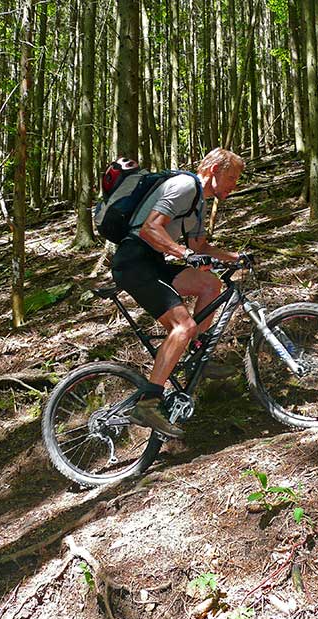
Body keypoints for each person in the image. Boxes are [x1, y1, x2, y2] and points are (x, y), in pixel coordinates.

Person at [111, 147, 246, 438]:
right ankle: (148, 402)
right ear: (214, 171)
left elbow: (200, 247)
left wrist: (235, 257)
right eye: (232, 178)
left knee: (210, 284)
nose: (234, 185)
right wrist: (183, 253)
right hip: (133, 262)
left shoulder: (200, 201)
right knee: (183, 326)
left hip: (153, 261)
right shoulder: (185, 186)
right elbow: (150, 229)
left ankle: (197, 357)